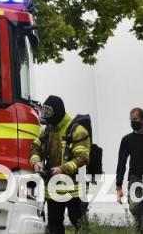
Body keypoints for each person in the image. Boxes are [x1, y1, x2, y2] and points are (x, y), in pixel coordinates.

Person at [30, 95, 90, 234]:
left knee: (80, 224)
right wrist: (36, 161)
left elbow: (82, 158)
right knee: (54, 226)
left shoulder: (77, 130)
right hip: (54, 189)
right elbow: (35, 147)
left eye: (48, 112)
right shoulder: (48, 130)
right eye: (44, 111)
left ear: (58, 111)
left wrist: (62, 169)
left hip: (74, 189)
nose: (46, 116)